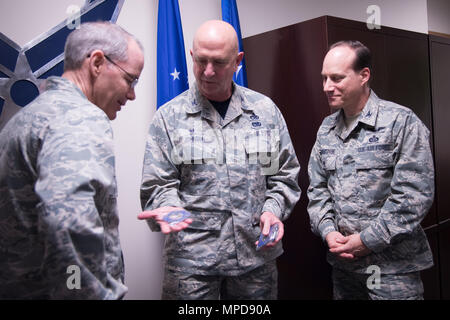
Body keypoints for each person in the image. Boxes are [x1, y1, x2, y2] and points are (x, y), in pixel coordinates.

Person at [139, 20, 301, 300]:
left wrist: (272, 209)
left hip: (256, 260)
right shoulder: (169, 118)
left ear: (237, 61)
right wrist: (168, 207)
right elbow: (159, 184)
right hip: (192, 266)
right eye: (201, 60)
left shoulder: (264, 112)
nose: (208, 71)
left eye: (219, 62)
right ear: (191, 56)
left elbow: (283, 176)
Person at [0, 21, 144, 299]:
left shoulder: (28, 118)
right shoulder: (78, 118)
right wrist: (88, 294)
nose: (132, 94)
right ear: (98, 63)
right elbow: (69, 222)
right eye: (130, 79)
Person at [307, 40, 435, 300]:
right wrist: (327, 230)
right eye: (324, 79)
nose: (327, 87)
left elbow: (413, 197)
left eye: (336, 78)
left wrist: (367, 240)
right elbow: (317, 189)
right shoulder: (327, 129)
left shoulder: (401, 122)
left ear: (364, 75)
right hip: (345, 269)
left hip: (393, 270)